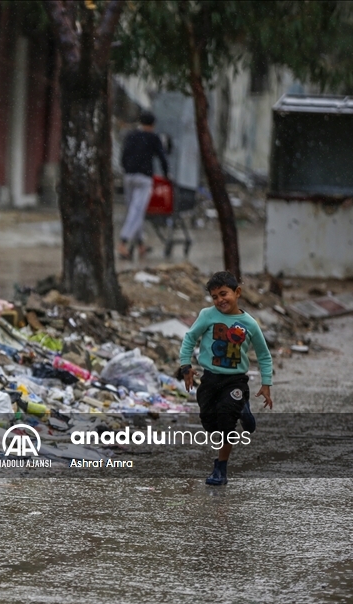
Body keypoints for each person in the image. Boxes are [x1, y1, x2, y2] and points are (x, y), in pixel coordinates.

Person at [179, 271, 273, 486]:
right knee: (209, 423)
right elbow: (190, 338)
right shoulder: (207, 315)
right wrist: (185, 366)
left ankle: (220, 468)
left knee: (225, 424)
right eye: (215, 297)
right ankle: (242, 409)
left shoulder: (249, 323)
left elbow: (264, 355)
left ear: (237, 292)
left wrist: (266, 383)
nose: (220, 300)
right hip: (210, 379)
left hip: (235, 381)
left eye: (224, 294)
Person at [118, 111, 169, 260]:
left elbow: (123, 155)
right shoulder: (153, 138)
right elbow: (162, 157)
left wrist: (127, 168)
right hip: (144, 178)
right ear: (153, 125)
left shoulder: (131, 136)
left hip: (129, 176)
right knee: (137, 212)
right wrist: (166, 174)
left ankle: (140, 244)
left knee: (133, 210)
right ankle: (123, 242)